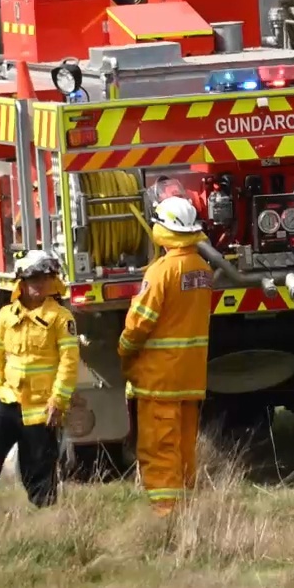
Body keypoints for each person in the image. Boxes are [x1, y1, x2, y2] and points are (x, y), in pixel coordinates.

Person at [116, 193, 214, 511]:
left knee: (160, 448)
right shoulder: (202, 268)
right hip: (190, 375)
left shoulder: (162, 272)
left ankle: (165, 515)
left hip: (160, 379)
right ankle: (185, 509)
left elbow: (140, 323)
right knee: (185, 447)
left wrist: (124, 350)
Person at [0, 249, 77, 514]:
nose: (40, 284)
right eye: (34, 278)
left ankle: (45, 515)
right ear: (21, 283)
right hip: (7, 400)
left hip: (41, 409)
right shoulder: (5, 316)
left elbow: (69, 364)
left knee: (39, 466)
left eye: (46, 278)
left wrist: (58, 401)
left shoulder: (61, 318)